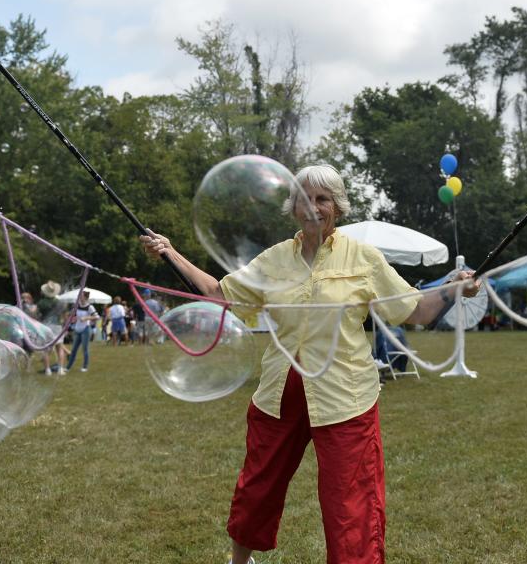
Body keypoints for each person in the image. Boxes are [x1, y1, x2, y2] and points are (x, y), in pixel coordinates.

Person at [140, 164, 479, 564]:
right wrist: (170, 252)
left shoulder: (364, 258)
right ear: (293, 206)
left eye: (323, 199)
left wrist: (455, 288)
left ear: (338, 206)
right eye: (304, 199)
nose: (313, 208)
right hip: (279, 393)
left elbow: (417, 310)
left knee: (352, 504)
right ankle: (239, 562)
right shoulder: (275, 260)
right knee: (257, 490)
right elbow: (221, 293)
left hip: (345, 396)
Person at [66, 291, 98, 372]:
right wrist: (73, 318)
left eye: (81, 296)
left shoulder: (90, 307)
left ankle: (85, 367)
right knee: (73, 349)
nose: (79, 297)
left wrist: (86, 318)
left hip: (85, 329)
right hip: (77, 329)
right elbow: (73, 315)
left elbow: (97, 317)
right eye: (79, 296)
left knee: (85, 349)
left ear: (86, 297)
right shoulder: (77, 305)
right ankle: (68, 367)